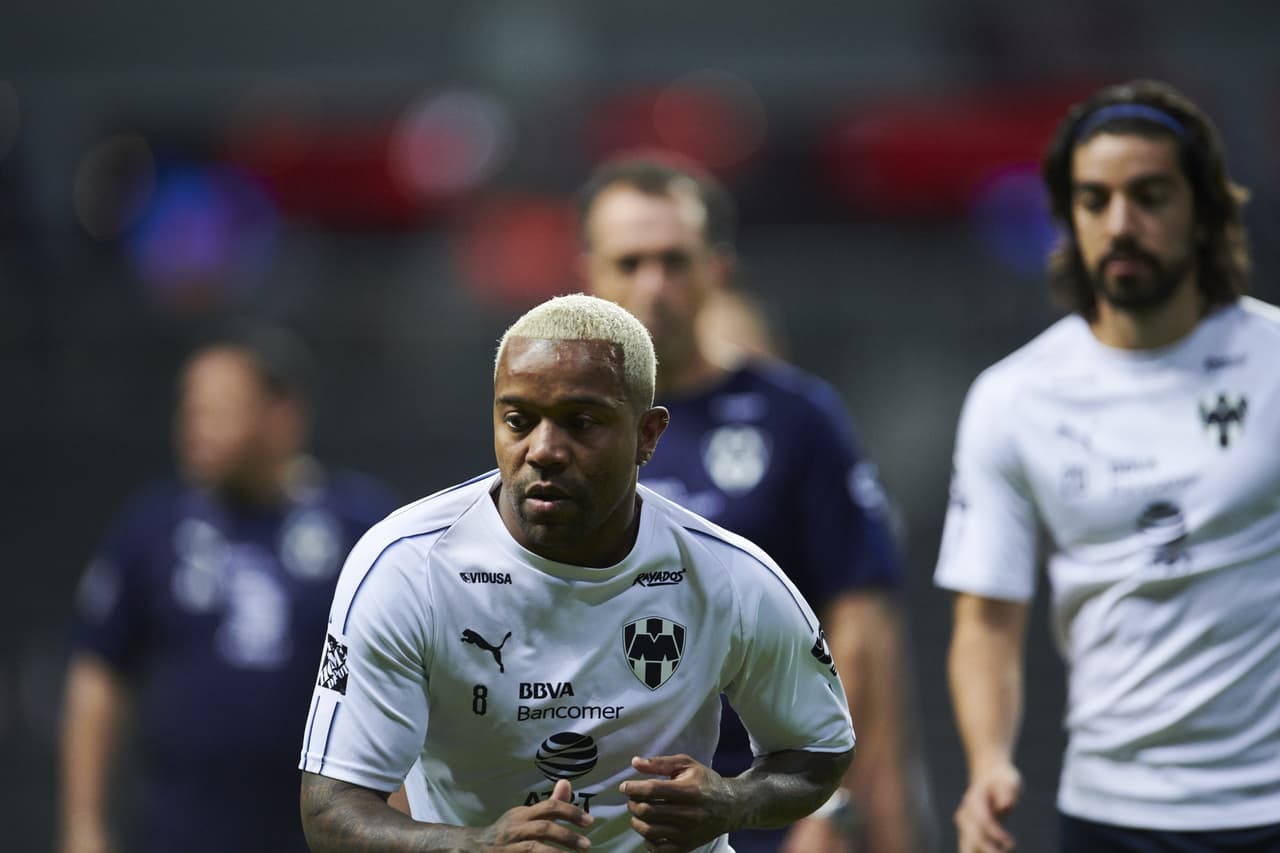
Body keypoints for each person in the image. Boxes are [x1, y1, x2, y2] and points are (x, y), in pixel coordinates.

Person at [297, 293, 855, 853]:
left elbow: (821, 751)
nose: (543, 450)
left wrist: (733, 801)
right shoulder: (408, 567)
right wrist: (477, 846)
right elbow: (331, 809)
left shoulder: (727, 576)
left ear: (648, 435)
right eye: (518, 420)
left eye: (580, 422)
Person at [936, 78, 1280, 853]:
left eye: (1150, 196)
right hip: (1112, 814)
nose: (1121, 224)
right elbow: (986, 618)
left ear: (1205, 212)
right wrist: (988, 761)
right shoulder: (1013, 398)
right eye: (1095, 200)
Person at [578, 157, 923, 852]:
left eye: (675, 261)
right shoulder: (562, 431)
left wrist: (831, 807)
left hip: (764, 807)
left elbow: (858, 624)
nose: (654, 285)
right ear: (589, 274)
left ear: (717, 268)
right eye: (631, 262)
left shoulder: (797, 419)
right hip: (601, 808)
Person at [59, 324, 398, 853]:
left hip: (320, 834)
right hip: (181, 833)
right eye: (189, 410)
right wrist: (84, 825)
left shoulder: (360, 526)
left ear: (283, 416)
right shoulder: (153, 527)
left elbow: (407, 681)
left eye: (218, 410)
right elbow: (98, 673)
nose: (194, 428)